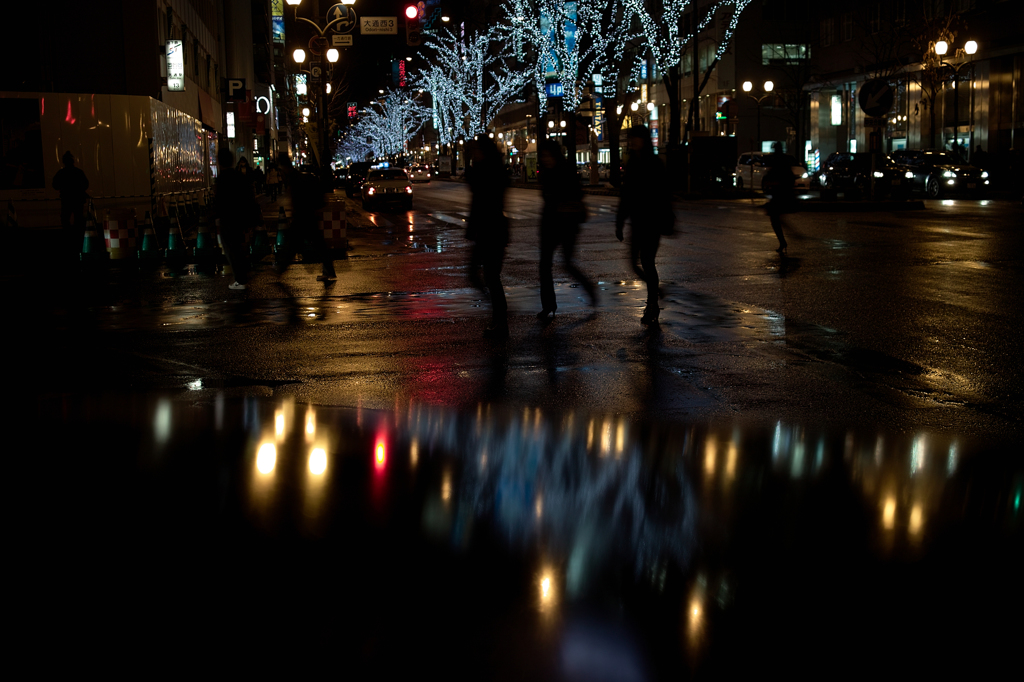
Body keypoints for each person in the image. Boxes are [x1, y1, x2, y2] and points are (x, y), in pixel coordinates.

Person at [615, 125, 673, 325]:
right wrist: (619, 221)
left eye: (636, 138)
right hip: (637, 221)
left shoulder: (654, 163)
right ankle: (654, 292)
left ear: (644, 140)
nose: (633, 142)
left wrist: (666, 217)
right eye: (631, 138)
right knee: (634, 264)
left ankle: (652, 306)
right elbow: (626, 195)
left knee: (647, 262)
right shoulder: (632, 163)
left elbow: (664, 193)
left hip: (652, 221)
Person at [537, 139, 597, 318]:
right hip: (550, 225)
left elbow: (577, 194)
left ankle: (590, 289)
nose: (546, 159)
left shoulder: (566, 171)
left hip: (567, 224)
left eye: (548, 155)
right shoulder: (546, 173)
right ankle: (548, 305)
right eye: (543, 156)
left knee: (568, 264)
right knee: (544, 266)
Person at [466, 136, 510, 338]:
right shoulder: (490, 169)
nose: (474, 153)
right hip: (489, 229)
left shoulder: (488, 172)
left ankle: (500, 320)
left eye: (476, 149)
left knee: (490, 277)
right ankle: (499, 315)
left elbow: (481, 200)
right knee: (486, 276)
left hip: (490, 229)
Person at [277, 167, 336, 282]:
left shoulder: (296, 181)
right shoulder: (302, 178)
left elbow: (298, 202)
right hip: (309, 216)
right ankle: (329, 270)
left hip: (302, 218)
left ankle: (280, 270)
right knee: (318, 245)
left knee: (293, 245)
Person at [213, 148, 259, 290]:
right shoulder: (239, 177)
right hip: (240, 217)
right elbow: (249, 197)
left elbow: (218, 201)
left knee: (231, 249)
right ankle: (242, 277)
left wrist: (216, 217)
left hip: (227, 219)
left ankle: (240, 279)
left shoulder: (221, 179)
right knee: (238, 247)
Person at [52, 150, 89, 258]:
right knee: (78, 219)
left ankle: (67, 238)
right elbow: (85, 185)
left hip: (66, 199)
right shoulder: (78, 172)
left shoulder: (61, 173)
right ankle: (78, 238)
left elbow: (55, 185)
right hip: (78, 199)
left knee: (65, 219)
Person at [762, 143, 797, 255]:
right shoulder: (784, 159)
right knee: (776, 218)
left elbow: (773, 174)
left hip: (780, 193)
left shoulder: (778, 160)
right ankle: (785, 240)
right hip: (783, 193)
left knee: (775, 218)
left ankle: (784, 240)